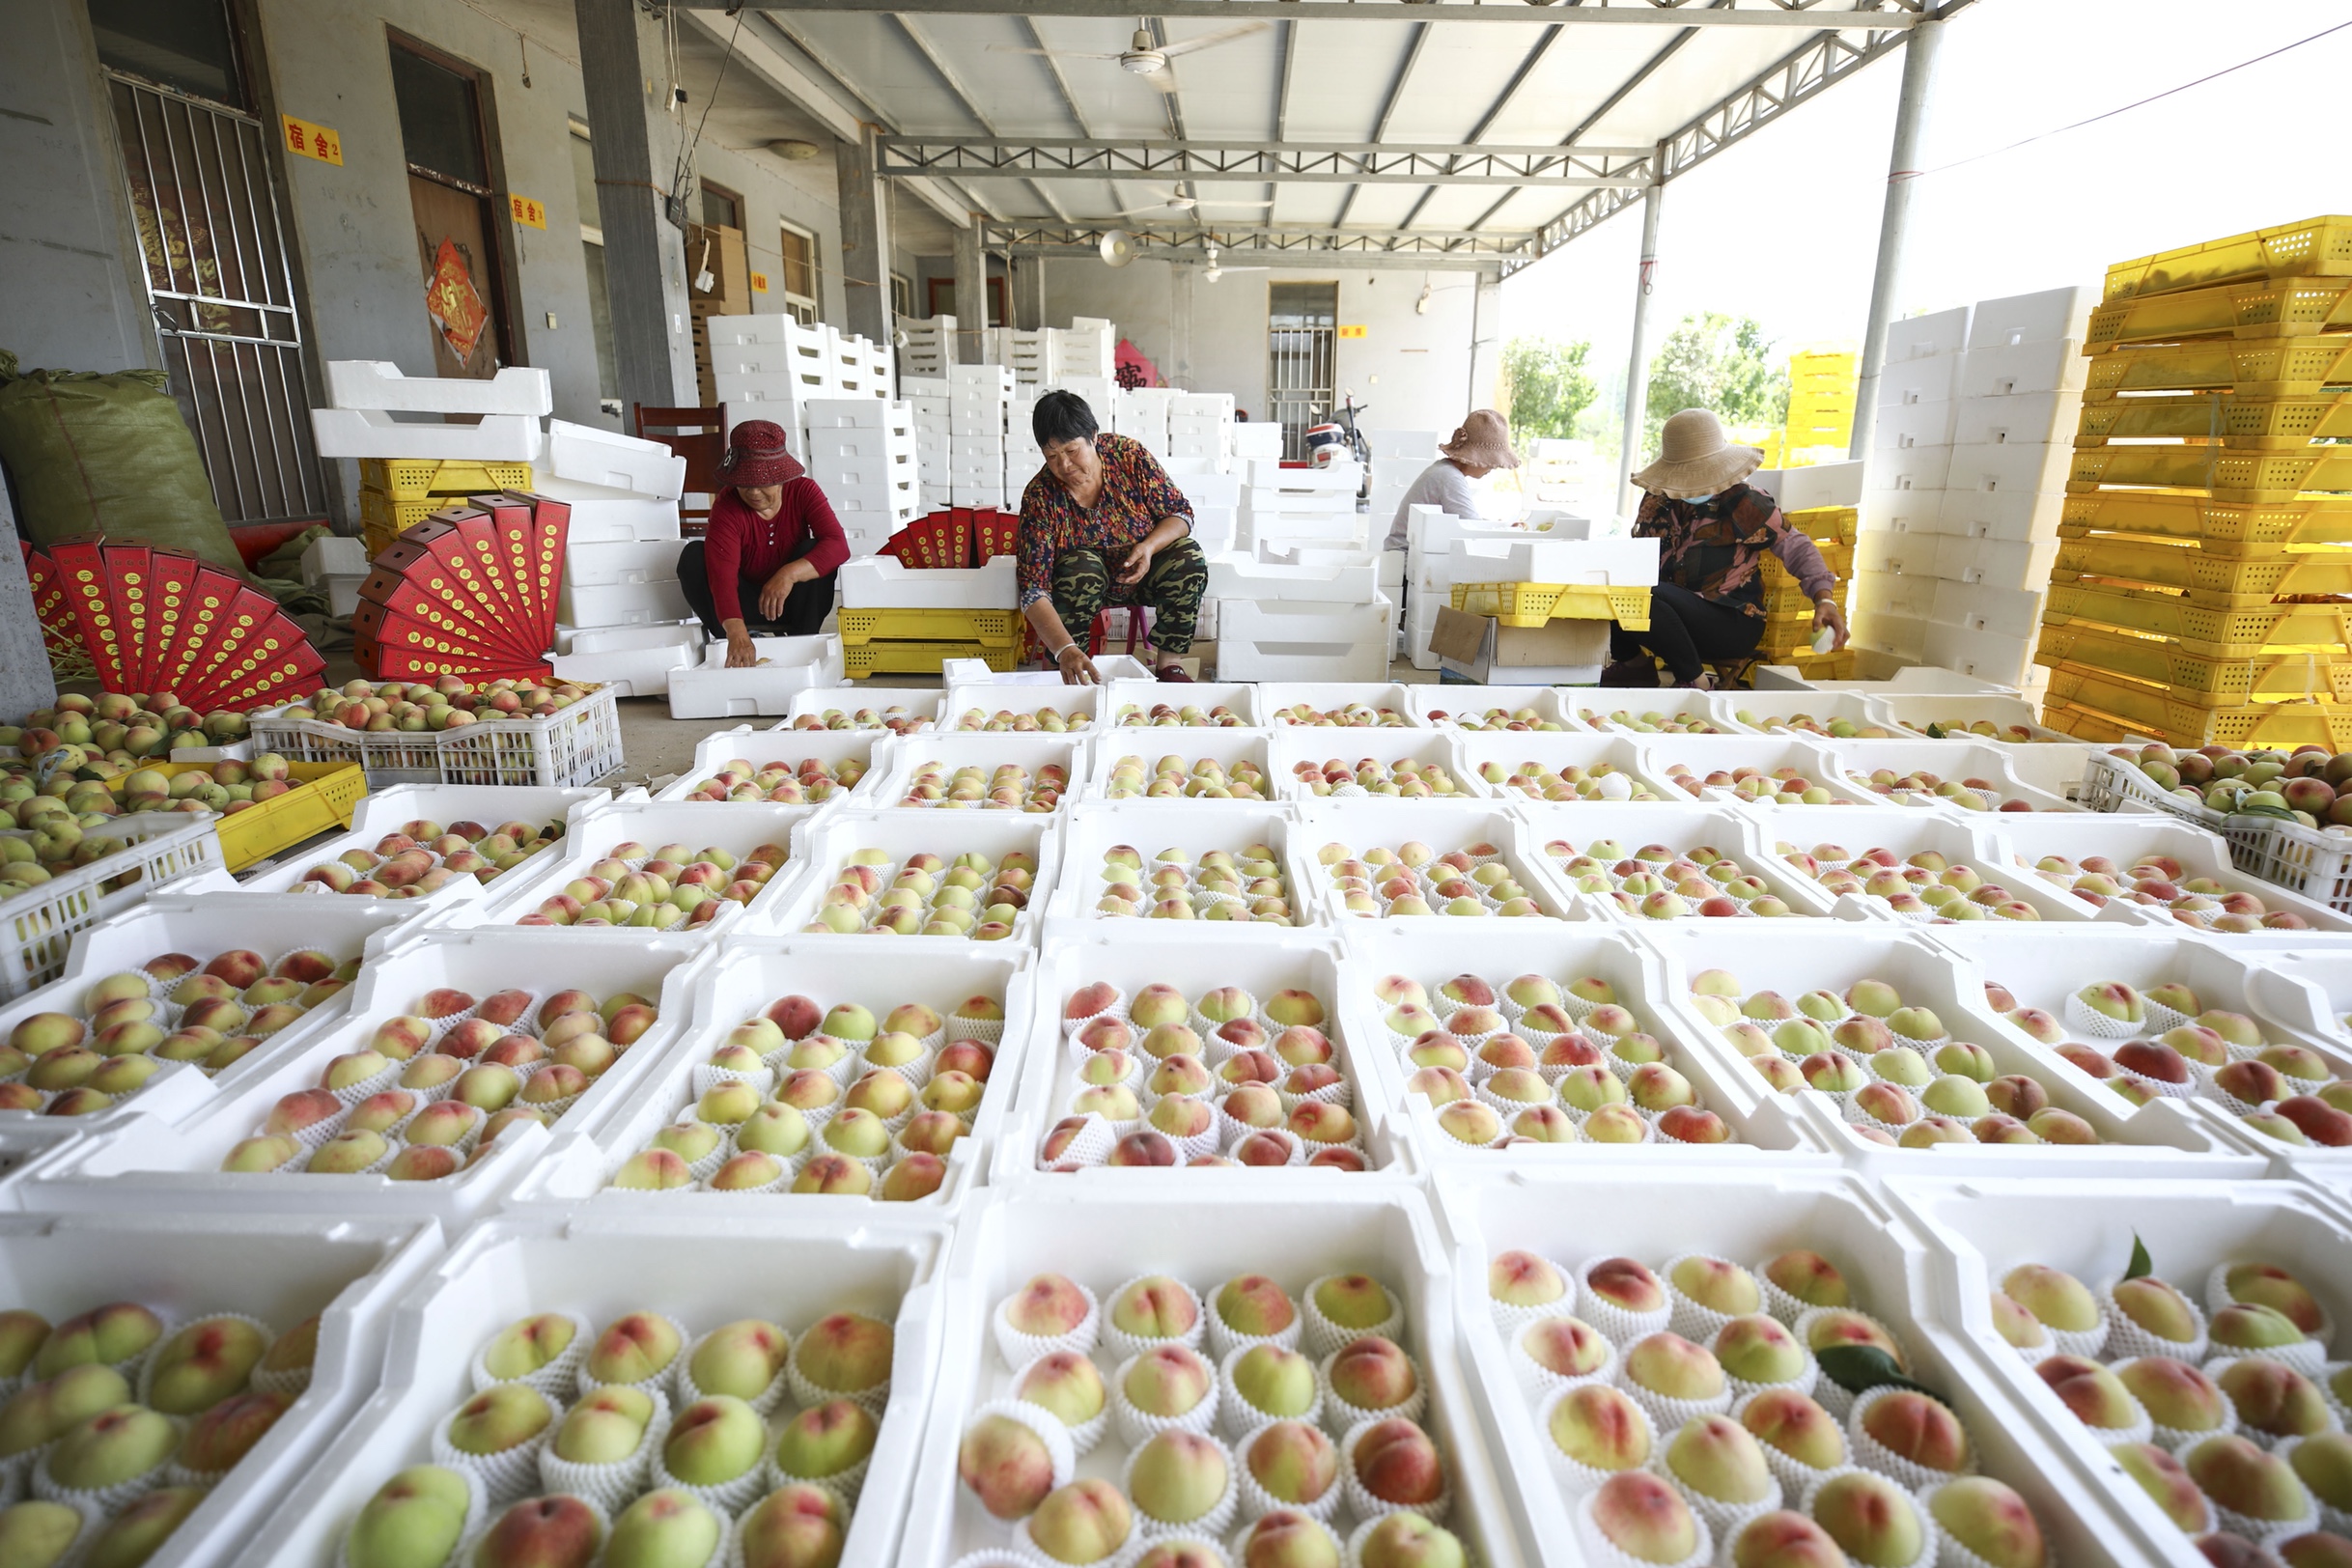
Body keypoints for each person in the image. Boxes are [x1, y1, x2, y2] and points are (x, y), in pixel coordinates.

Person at [1606, 407, 1848, 690]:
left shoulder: (1743, 502)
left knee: (1647, 594)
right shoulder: (1656, 502)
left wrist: (1824, 600)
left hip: (1729, 620)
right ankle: (1634, 666)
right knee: (1612, 587)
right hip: (1669, 619)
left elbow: (1794, 546)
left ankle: (1696, 682)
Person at [1016, 389, 1208, 685]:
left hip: (1143, 573)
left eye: (1071, 450)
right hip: (1081, 590)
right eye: (1052, 456)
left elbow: (1180, 515)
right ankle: (1069, 666)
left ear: (1093, 435)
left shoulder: (1128, 456)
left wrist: (1148, 546)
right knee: (1082, 567)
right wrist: (1064, 648)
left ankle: (1170, 665)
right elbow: (1032, 589)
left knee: (1188, 556)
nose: (1064, 465)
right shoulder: (1041, 496)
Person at [677, 419, 849, 669]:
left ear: (781, 477)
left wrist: (787, 575)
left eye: (763, 484)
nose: (754, 492)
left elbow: (838, 545)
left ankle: (803, 640)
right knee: (693, 555)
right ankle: (736, 640)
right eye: (745, 484)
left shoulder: (803, 491)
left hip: (791, 603)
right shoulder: (727, 505)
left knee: (813, 549)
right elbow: (722, 576)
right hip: (743, 603)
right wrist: (736, 631)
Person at [1384, 408, 1518, 551]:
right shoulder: (1449, 477)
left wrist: (1501, 527)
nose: (1494, 467)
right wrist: (1508, 532)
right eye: (1491, 461)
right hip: (1406, 561)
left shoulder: (1444, 470)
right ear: (1476, 457)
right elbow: (1472, 530)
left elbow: (1467, 523)